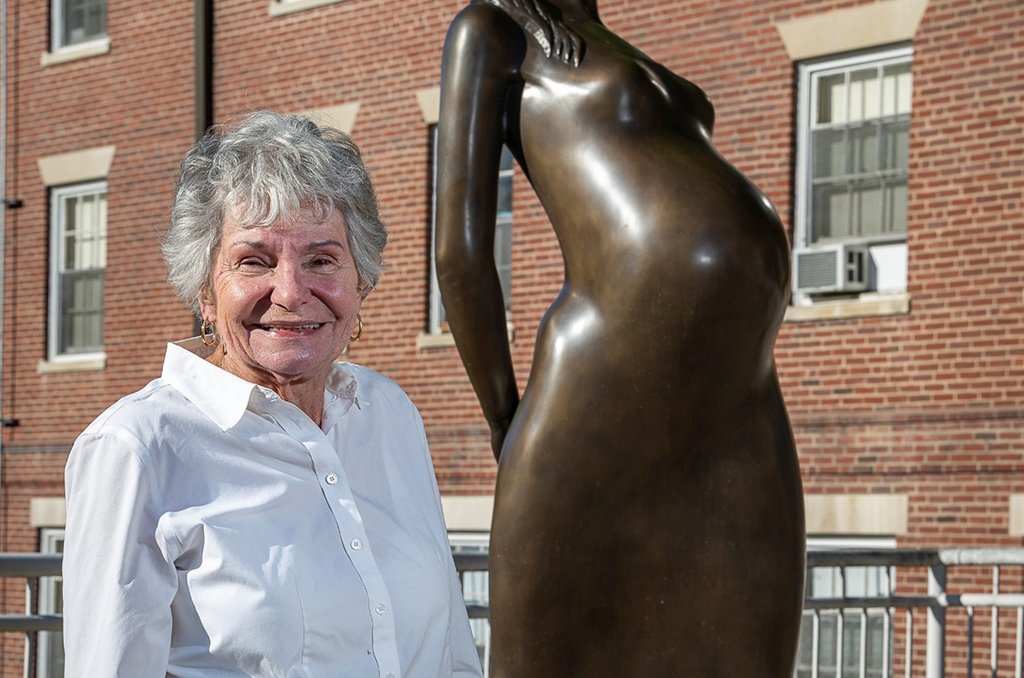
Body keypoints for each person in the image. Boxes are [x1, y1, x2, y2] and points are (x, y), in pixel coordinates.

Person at [435, 1, 805, 676]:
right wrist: (503, 415)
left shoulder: (608, 41)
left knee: (750, 642)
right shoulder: (495, 30)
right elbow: (459, 253)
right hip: (605, 369)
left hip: (739, 388)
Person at [63, 111, 484, 678]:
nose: (289, 292)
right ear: (205, 291)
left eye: (321, 260)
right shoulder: (136, 449)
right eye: (253, 261)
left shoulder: (388, 413)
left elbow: (450, 649)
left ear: (360, 282)